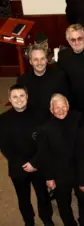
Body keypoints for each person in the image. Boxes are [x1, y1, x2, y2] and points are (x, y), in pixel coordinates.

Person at [0, 84, 54, 226]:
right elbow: (5, 147)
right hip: (18, 166)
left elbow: (44, 143)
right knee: (23, 198)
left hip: (38, 164)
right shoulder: (3, 119)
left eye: (22, 96)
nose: (19, 99)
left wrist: (34, 163)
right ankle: (28, 221)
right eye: (15, 97)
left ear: (27, 97)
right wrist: (24, 165)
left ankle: (47, 219)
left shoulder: (40, 115)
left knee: (43, 196)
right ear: (9, 99)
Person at [36, 94, 84, 225]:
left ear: (68, 106)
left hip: (79, 170)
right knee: (63, 203)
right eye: (57, 108)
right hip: (59, 174)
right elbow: (44, 156)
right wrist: (49, 178)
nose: (61, 110)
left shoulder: (78, 117)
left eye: (63, 106)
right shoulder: (44, 129)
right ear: (51, 109)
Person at [16, 44, 68, 113]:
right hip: (32, 118)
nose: (39, 63)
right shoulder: (22, 80)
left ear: (47, 60)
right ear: (30, 61)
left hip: (53, 117)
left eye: (42, 59)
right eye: (35, 59)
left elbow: (66, 102)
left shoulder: (60, 76)